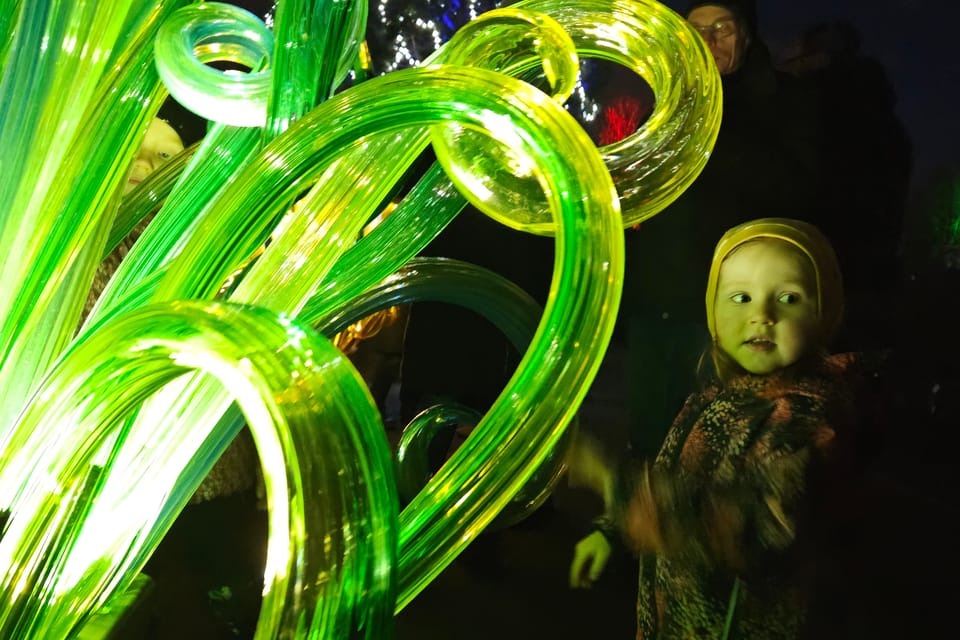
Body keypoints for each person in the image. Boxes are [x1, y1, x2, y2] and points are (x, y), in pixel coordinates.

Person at [570, 218, 862, 639]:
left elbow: (754, 524)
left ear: (822, 313)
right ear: (714, 315)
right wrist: (611, 528)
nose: (761, 314)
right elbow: (679, 478)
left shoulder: (811, 420)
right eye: (740, 297)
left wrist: (606, 477)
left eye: (788, 297)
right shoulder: (713, 399)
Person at [619, 0, 822, 463]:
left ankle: (695, 531)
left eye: (722, 28)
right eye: (696, 29)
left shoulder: (782, 101)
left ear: (745, 35)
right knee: (647, 437)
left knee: (707, 447)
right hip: (654, 302)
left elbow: (797, 191)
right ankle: (641, 527)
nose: (708, 41)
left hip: (721, 310)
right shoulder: (667, 101)